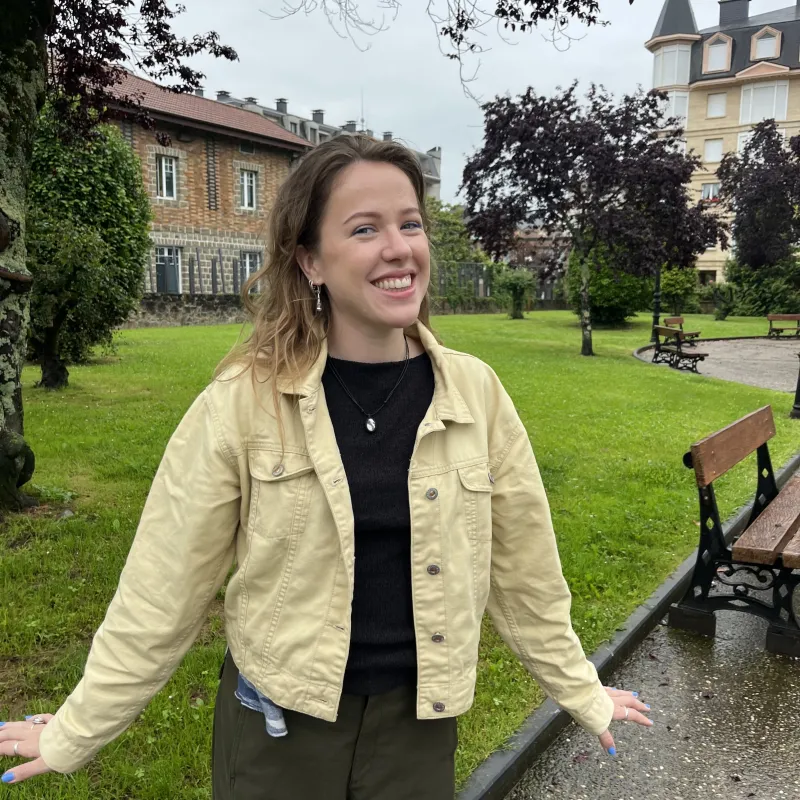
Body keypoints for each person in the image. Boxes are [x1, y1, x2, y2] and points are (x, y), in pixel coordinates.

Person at [0, 135, 651, 798]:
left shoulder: (475, 394)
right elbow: (161, 589)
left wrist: (581, 689)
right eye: (365, 229)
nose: (399, 248)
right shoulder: (242, 403)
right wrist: (75, 731)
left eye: (411, 224)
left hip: (418, 728)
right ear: (310, 260)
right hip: (279, 729)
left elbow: (526, 572)